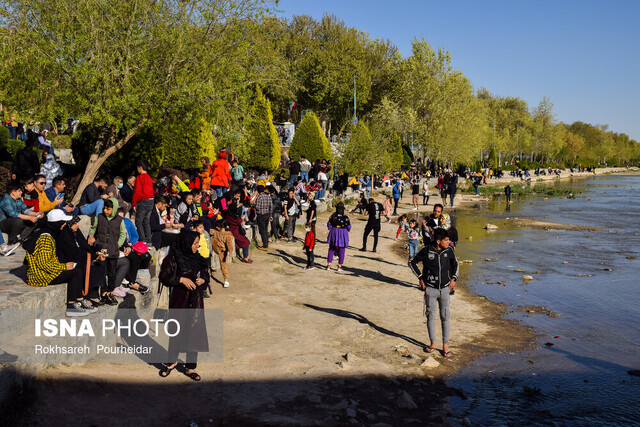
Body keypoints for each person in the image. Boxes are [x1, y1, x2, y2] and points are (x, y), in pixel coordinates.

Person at [24, 210, 96, 317]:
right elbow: (44, 264)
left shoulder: (47, 233)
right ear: (56, 223)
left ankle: (79, 300)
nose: (64, 225)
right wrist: (63, 266)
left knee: (76, 270)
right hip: (40, 276)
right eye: (62, 222)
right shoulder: (45, 238)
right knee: (75, 272)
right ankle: (71, 306)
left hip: (43, 271)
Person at [159, 230, 209, 381]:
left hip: (196, 300)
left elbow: (205, 273)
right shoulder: (173, 258)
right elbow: (164, 276)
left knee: (194, 332)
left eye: (197, 243)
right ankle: (171, 362)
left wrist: (203, 280)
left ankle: (190, 367)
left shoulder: (198, 258)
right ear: (186, 243)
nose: (197, 246)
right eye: (194, 244)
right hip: (180, 300)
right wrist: (181, 280)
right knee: (177, 331)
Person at [409, 228, 459, 357]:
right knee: (430, 316)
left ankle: (445, 346)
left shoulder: (449, 251)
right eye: (446, 240)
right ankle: (433, 343)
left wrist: (453, 279)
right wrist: (420, 278)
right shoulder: (427, 250)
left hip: (445, 289)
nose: (449, 242)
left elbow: (456, 265)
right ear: (438, 241)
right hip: (430, 289)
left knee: (445, 317)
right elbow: (412, 262)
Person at [56, 214, 108, 307]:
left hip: (80, 258)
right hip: (69, 261)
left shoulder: (75, 232)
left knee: (100, 265)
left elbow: (85, 246)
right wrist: (93, 257)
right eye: (75, 223)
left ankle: (94, 295)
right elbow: (73, 254)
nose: (78, 225)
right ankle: (86, 296)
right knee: (89, 268)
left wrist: (96, 254)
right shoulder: (65, 235)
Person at [88, 198, 129, 305]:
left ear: (114, 209)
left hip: (113, 252)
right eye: (104, 208)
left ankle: (110, 292)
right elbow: (93, 228)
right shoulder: (100, 217)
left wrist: (116, 245)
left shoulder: (119, 220)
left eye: (108, 209)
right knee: (102, 272)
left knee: (111, 273)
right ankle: (104, 293)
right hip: (101, 249)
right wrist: (91, 236)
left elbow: (122, 235)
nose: (105, 211)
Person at [224, 190, 252, 263]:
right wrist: (242, 218)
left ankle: (246, 256)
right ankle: (245, 257)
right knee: (245, 241)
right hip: (233, 230)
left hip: (236, 229)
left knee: (246, 240)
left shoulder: (232, 212)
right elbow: (238, 221)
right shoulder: (230, 215)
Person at [132, 160, 155, 245]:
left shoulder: (139, 177)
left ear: (140, 167)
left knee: (138, 221)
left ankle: (142, 240)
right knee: (146, 221)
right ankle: (148, 240)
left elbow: (136, 191)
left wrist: (134, 204)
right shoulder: (149, 177)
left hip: (143, 201)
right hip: (151, 201)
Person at [326, 202, 351, 272]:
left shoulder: (333, 216)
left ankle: (328, 265)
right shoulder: (345, 217)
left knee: (331, 249)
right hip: (342, 233)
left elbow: (329, 225)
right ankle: (339, 267)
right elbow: (349, 227)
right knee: (342, 250)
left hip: (334, 232)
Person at [210, 219, 234, 288]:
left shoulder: (228, 234)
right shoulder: (216, 232)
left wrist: (230, 251)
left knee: (223, 265)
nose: (216, 227)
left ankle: (226, 280)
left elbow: (229, 244)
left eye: (217, 226)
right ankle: (226, 280)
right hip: (216, 247)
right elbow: (210, 231)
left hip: (223, 251)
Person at [253, 185, 272, 251]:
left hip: (261, 215)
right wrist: (270, 215)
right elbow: (271, 206)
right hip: (267, 215)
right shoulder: (268, 196)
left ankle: (265, 245)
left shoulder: (259, 197)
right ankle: (266, 242)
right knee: (265, 229)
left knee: (262, 230)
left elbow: (257, 207)